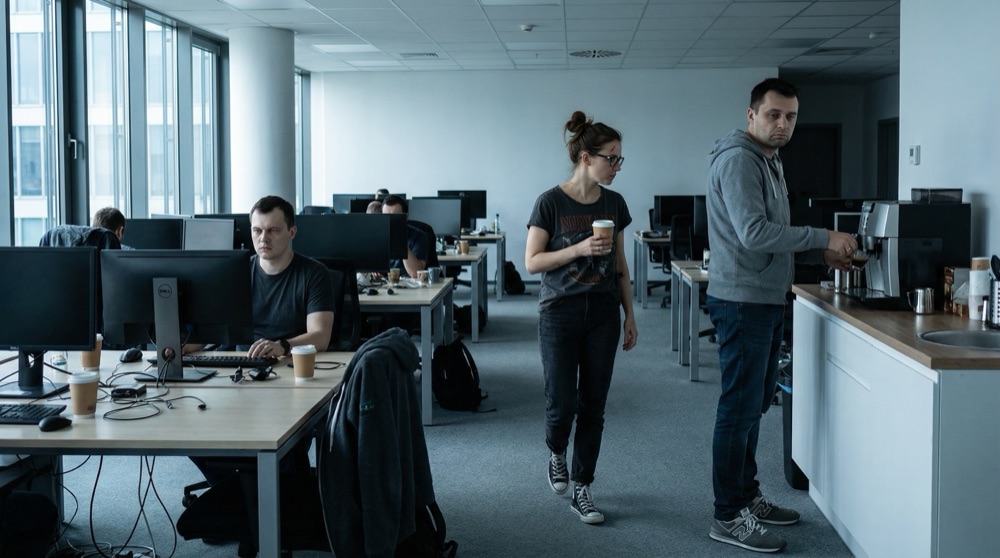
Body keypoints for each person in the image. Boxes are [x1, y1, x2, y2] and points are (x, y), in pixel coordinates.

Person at [704, 77, 856, 553]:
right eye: (773, 115)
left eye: (791, 116)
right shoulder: (738, 161)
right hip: (743, 300)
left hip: (765, 296)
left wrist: (818, 256)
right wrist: (822, 238)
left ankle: (747, 497)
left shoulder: (770, 160)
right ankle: (727, 514)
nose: (783, 124)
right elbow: (753, 233)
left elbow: (773, 235)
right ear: (751, 115)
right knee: (738, 408)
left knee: (753, 407)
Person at [524, 110, 637, 525]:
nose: (617, 166)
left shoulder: (615, 203)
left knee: (594, 404)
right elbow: (532, 261)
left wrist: (630, 315)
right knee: (562, 404)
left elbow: (621, 264)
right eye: (612, 158)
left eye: (620, 159)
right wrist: (578, 249)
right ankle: (556, 451)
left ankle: (583, 488)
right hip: (559, 312)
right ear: (586, 157)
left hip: (604, 312)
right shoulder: (550, 202)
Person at [245, 195, 335, 359]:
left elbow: (321, 336)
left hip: (292, 363)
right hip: (241, 365)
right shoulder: (239, 271)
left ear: (291, 232)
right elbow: (214, 329)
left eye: (273, 230)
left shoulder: (314, 273)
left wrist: (282, 346)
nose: (263, 238)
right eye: (257, 231)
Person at [380, 195, 430, 279]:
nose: (390, 221)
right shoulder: (378, 236)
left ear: (406, 217)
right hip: (383, 286)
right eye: (386, 216)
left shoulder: (419, 237)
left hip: (410, 286)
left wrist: (400, 239)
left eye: (395, 217)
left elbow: (415, 274)